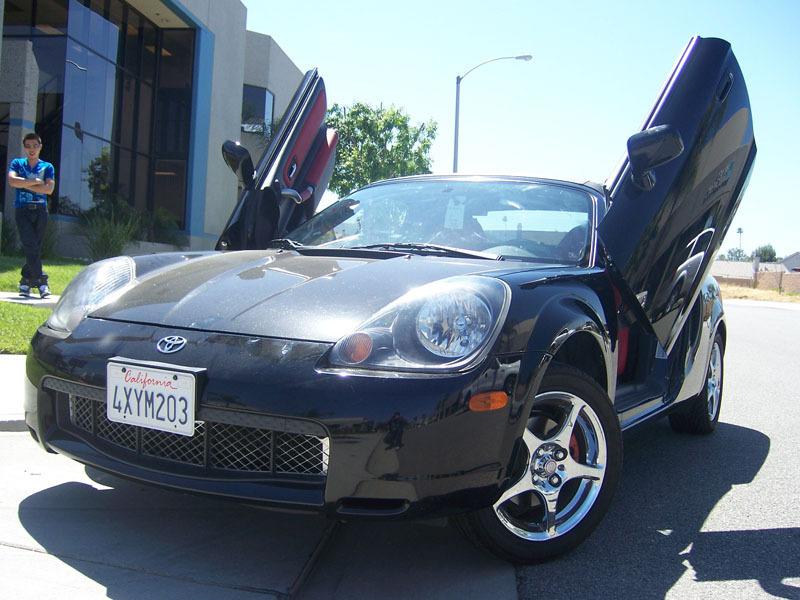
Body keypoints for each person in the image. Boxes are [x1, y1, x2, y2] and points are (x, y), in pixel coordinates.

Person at [7, 132, 55, 298]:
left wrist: (24, 184)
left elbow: (49, 189)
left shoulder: (47, 167)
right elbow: (12, 181)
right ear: (24, 147)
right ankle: (42, 283)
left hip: (41, 210)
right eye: (28, 146)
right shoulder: (17, 163)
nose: (31, 149)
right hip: (22, 210)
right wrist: (36, 182)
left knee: (34, 247)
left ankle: (25, 282)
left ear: (40, 147)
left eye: (35, 145)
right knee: (30, 244)